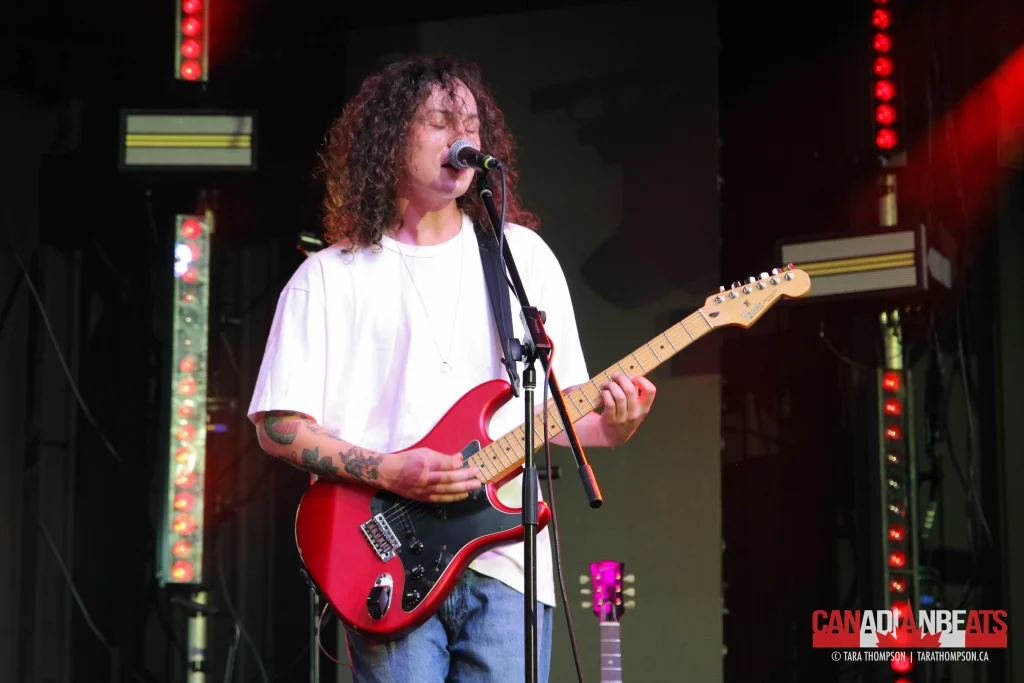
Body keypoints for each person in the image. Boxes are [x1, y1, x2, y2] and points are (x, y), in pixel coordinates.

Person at [247, 54, 657, 683]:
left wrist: (616, 425)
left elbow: (562, 408)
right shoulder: (328, 277)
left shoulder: (521, 257)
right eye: (440, 122)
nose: (461, 137)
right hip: (388, 562)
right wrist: (390, 470)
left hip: (510, 564)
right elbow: (278, 426)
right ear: (391, 138)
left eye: (470, 123)